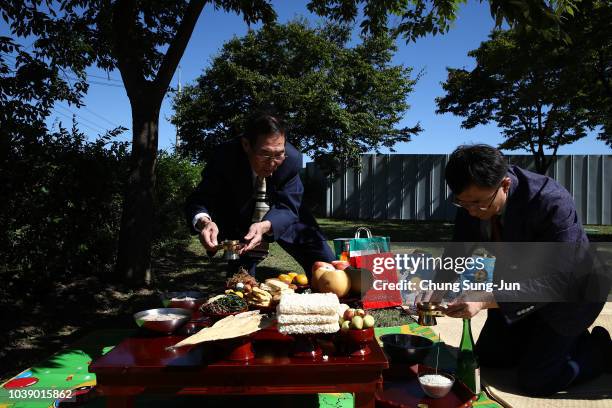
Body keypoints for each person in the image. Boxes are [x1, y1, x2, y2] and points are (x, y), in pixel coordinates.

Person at [440, 144, 611, 396]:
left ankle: (598, 350)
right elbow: (458, 250)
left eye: (477, 203)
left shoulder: (552, 202)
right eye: (463, 204)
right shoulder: (473, 199)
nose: (472, 212)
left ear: (505, 186)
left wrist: (485, 299)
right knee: (490, 359)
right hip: (519, 286)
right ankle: (548, 341)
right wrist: (435, 288)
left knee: (538, 379)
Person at [185, 112, 335, 276]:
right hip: (237, 220)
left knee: (328, 267)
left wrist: (265, 225)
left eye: (278, 154)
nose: (272, 164)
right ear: (246, 145)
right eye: (265, 154)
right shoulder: (224, 157)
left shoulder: (291, 160)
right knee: (240, 283)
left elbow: (289, 205)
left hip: (282, 215)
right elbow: (200, 199)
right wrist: (204, 222)